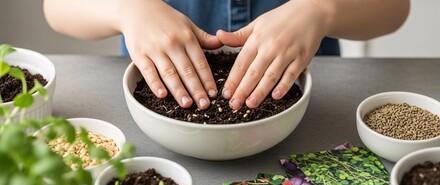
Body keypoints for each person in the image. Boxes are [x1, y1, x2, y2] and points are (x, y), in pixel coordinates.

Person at [43, 0, 409, 110]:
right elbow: (56, 8)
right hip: (150, 116)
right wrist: (127, 10)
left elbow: (395, 9)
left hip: (320, 110)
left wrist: (321, 10)